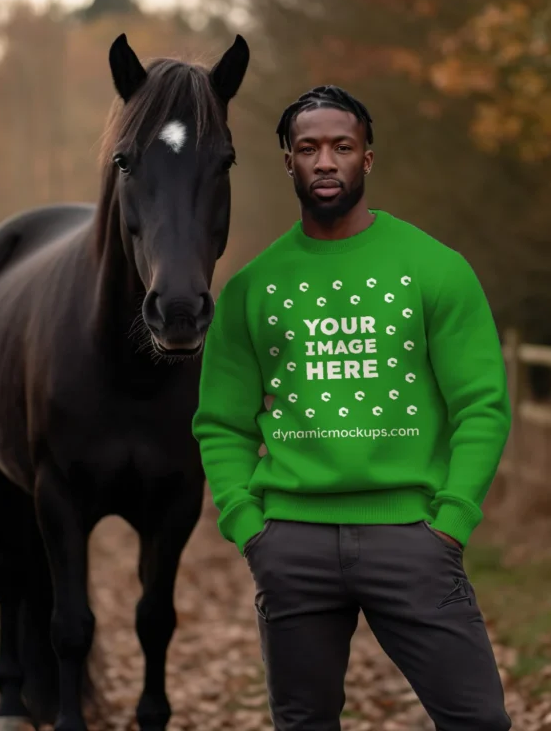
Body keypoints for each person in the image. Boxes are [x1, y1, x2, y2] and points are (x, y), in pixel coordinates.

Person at [192, 85, 513, 731]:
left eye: (342, 146)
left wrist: (451, 522)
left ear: (368, 158)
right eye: (308, 148)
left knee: (480, 722)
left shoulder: (435, 269)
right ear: (287, 160)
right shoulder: (254, 288)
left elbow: (481, 405)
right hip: (292, 545)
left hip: (413, 540)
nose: (326, 161)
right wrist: (249, 527)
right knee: (304, 723)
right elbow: (221, 423)